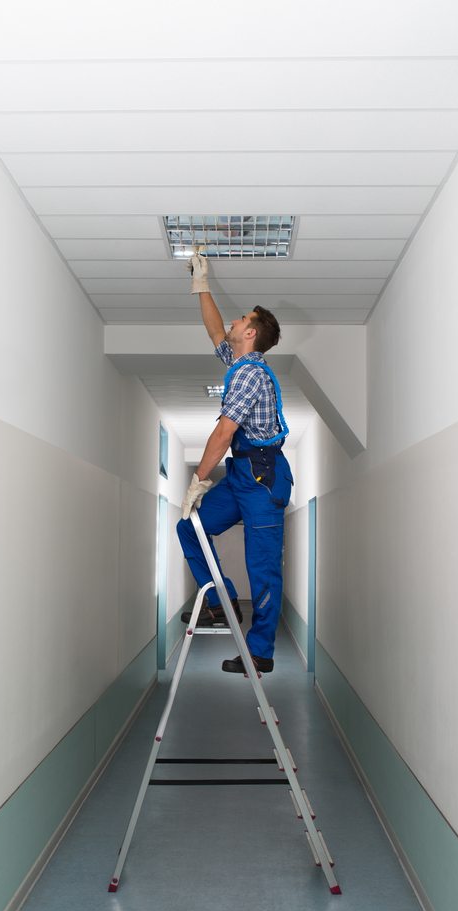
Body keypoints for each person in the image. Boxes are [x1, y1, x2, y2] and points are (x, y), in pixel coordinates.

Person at [176, 252, 293, 674]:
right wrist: (202, 285)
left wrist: (199, 480)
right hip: (244, 473)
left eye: (241, 318)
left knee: (261, 568)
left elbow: (224, 433)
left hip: (263, 479)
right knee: (190, 526)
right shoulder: (240, 361)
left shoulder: (250, 375)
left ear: (251, 332)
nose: (233, 321)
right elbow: (213, 330)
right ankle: (219, 601)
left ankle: (260, 652)